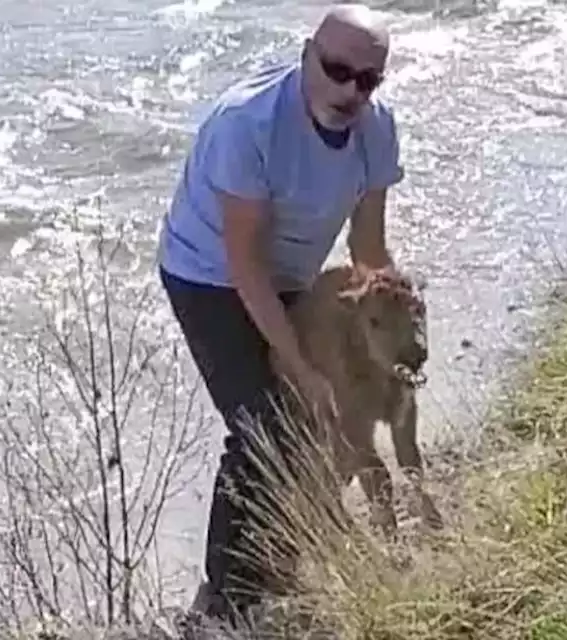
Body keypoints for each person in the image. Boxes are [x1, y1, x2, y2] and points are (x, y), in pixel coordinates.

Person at [155, 2, 405, 631]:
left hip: (293, 275)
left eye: (366, 80)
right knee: (265, 422)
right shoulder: (249, 124)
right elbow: (245, 267)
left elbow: (368, 251)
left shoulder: (376, 131)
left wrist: (395, 327)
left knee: (332, 411)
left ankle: (285, 558)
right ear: (306, 56)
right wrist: (298, 365)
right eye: (337, 69)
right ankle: (223, 600)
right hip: (209, 273)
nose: (349, 89)